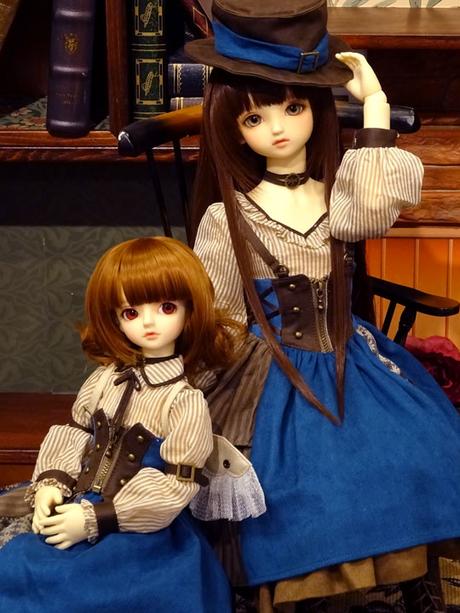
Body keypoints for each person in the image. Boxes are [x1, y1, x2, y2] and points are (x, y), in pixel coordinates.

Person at [186, 0, 460, 610]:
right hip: (269, 369)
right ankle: (303, 586)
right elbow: (221, 315)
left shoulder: (341, 197)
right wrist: (196, 388)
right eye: (254, 117)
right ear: (233, 126)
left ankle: (387, 580)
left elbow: (373, 211)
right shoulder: (226, 218)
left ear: (317, 108)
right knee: (298, 480)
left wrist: (376, 106)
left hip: (349, 357)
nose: (278, 128)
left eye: (294, 108)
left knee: (412, 449)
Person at [0, 236, 241, 613]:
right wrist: (50, 485)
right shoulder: (104, 380)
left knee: (95, 585)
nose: (148, 322)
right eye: (131, 312)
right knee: (18, 565)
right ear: (114, 317)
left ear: (190, 311)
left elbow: (178, 485)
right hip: (81, 504)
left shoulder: (183, 400)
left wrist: (97, 518)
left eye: (165, 307)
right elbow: (76, 434)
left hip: (142, 526)